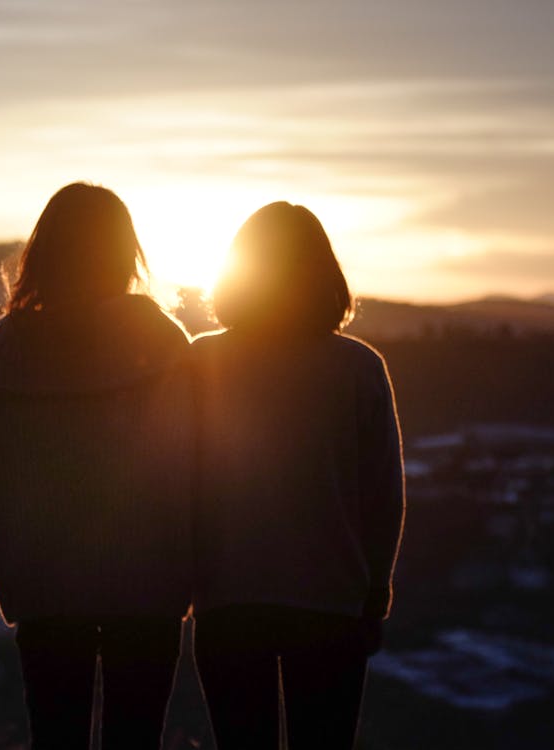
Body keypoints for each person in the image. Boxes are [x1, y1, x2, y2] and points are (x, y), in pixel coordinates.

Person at [0, 182, 193, 750]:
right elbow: (186, 471)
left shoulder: (7, 347)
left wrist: (15, 586)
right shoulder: (157, 339)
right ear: (124, 252)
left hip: (46, 592)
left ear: (45, 251)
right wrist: (182, 577)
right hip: (147, 589)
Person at [190, 202, 405, 749]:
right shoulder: (359, 368)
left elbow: (172, 483)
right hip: (332, 604)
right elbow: (384, 497)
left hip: (227, 601)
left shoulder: (200, 362)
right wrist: (375, 595)